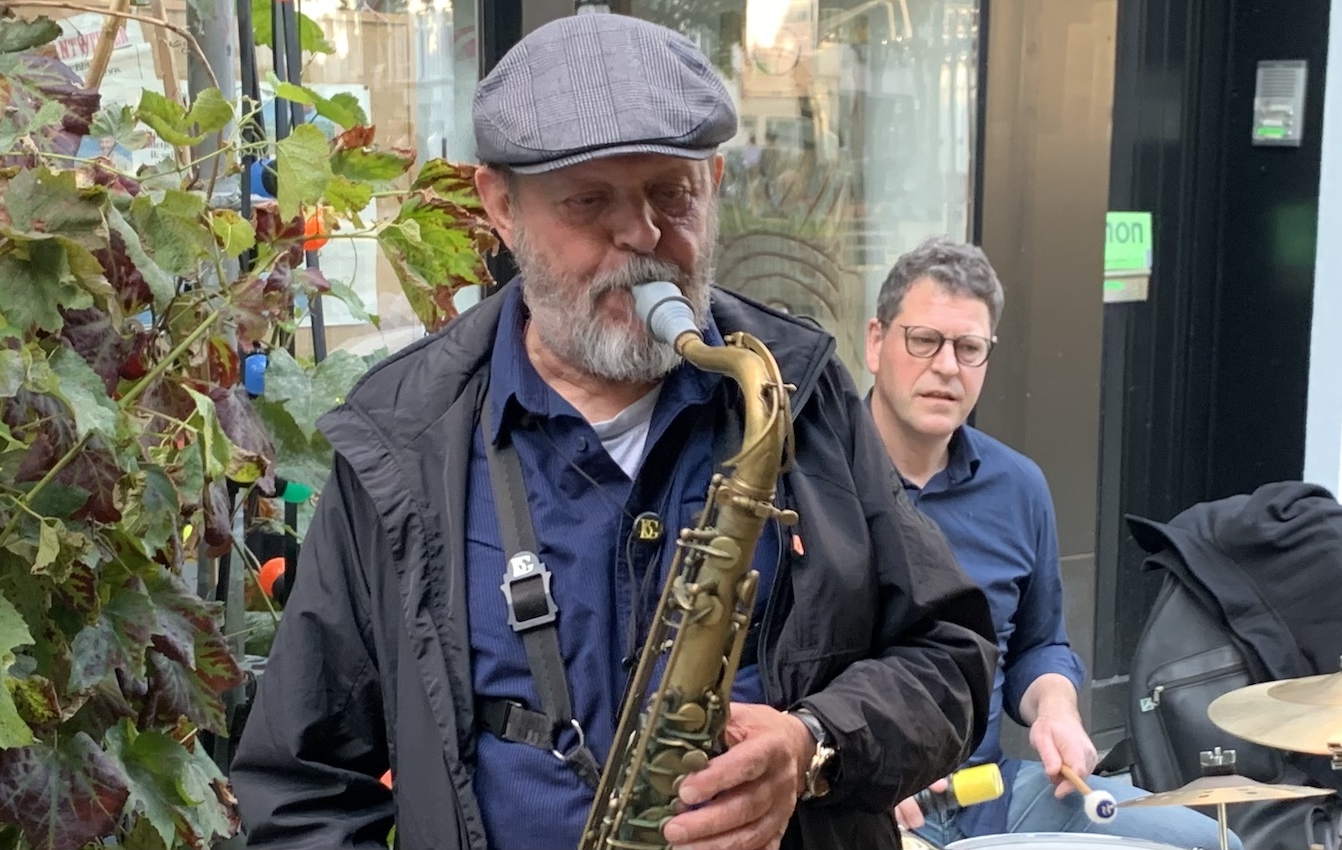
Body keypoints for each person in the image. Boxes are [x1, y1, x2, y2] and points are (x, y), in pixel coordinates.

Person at [229, 13, 998, 850]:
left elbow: (949, 658)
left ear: (712, 180)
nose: (642, 237)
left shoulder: (795, 389)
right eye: (591, 201)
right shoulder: (403, 439)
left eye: (673, 195)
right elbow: (300, 787)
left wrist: (814, 744)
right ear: (499, 205)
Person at [865, 236, 1243, 850]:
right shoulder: (815, 484)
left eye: (968, 348)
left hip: (990, 793)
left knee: (1214, 843)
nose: (946, 366)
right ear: (876, 342)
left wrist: (1057, 709)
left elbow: (1039, 646)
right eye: (924, 341)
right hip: (863, 804)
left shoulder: (1018, 486)